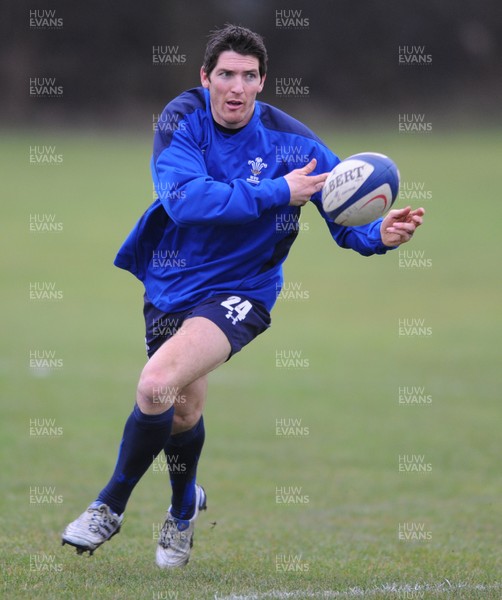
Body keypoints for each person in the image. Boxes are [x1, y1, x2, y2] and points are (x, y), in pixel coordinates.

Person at [62, 24, 424, 568]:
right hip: (171, 282)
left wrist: (381, 235)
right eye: (225, 75)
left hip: (242, 291)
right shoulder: (180, 120)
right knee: (180, 409)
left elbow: (344, 222)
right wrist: (279, 191)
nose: (236, 87)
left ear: (262, 82)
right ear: (204, 78)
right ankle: (185, 508)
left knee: (156, 384)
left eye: (248, 76)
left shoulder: (296, 144)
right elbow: (186, 201)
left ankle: (108, 506)